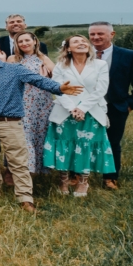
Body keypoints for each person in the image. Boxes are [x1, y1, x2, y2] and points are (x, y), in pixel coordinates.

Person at [0, 39, 82, 212]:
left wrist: (59, 88)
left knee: (18, 162)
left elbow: (38, 80)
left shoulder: (15, 70)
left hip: (10, 123)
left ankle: (25, 198)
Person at [43, 35, 116, 197]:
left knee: (86, 145)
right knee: (64, 145)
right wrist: (72, 109)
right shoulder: (61, 66)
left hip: (91, 111)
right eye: (76, 41)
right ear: (68, 48)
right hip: (65, 112)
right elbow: (57, 89)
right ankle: (63, 180)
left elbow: (101, 89)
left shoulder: (100, 64)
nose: (81, 43)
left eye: (84, 41)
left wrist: (82, 108)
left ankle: (83, 182)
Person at [88, 21, 133, 189]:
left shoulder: (128, 55)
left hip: (115, 107)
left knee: (112, 143)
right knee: (81, 140)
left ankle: (110, 178)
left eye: (100, 33)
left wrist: (130, 104)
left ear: (112, 34)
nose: (96, 37)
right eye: (92, 34)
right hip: (86, 107)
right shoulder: (81, 53)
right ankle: (77, 176)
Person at [6, 31, 55, 174]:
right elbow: (7, 79)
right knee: (23, 135)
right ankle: (22, 170)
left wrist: (47, 75)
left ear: (34, 41)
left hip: (42, 101)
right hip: (22, 101)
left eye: (27, 40)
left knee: (40, 133)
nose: (24, 43)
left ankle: (39, 169)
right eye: (20, 41)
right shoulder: (13, 59)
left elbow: (57, 77)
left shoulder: (43, 58)